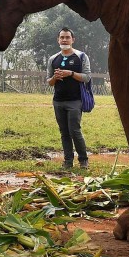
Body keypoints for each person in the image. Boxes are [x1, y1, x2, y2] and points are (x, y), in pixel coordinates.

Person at [47, 28, 91, 170]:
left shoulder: (81, 56)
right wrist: (55, 77)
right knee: (64, 132)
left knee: (74, 130)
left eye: (67, 37)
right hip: (58, 100)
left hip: (75, 101)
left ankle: (83, 160)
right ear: (58, 40)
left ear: (73, 39)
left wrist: (70, 73)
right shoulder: (53, 59)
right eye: (62, 37)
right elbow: (49, 81)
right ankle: (68, 161)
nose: (64, 40)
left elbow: (87, 77)